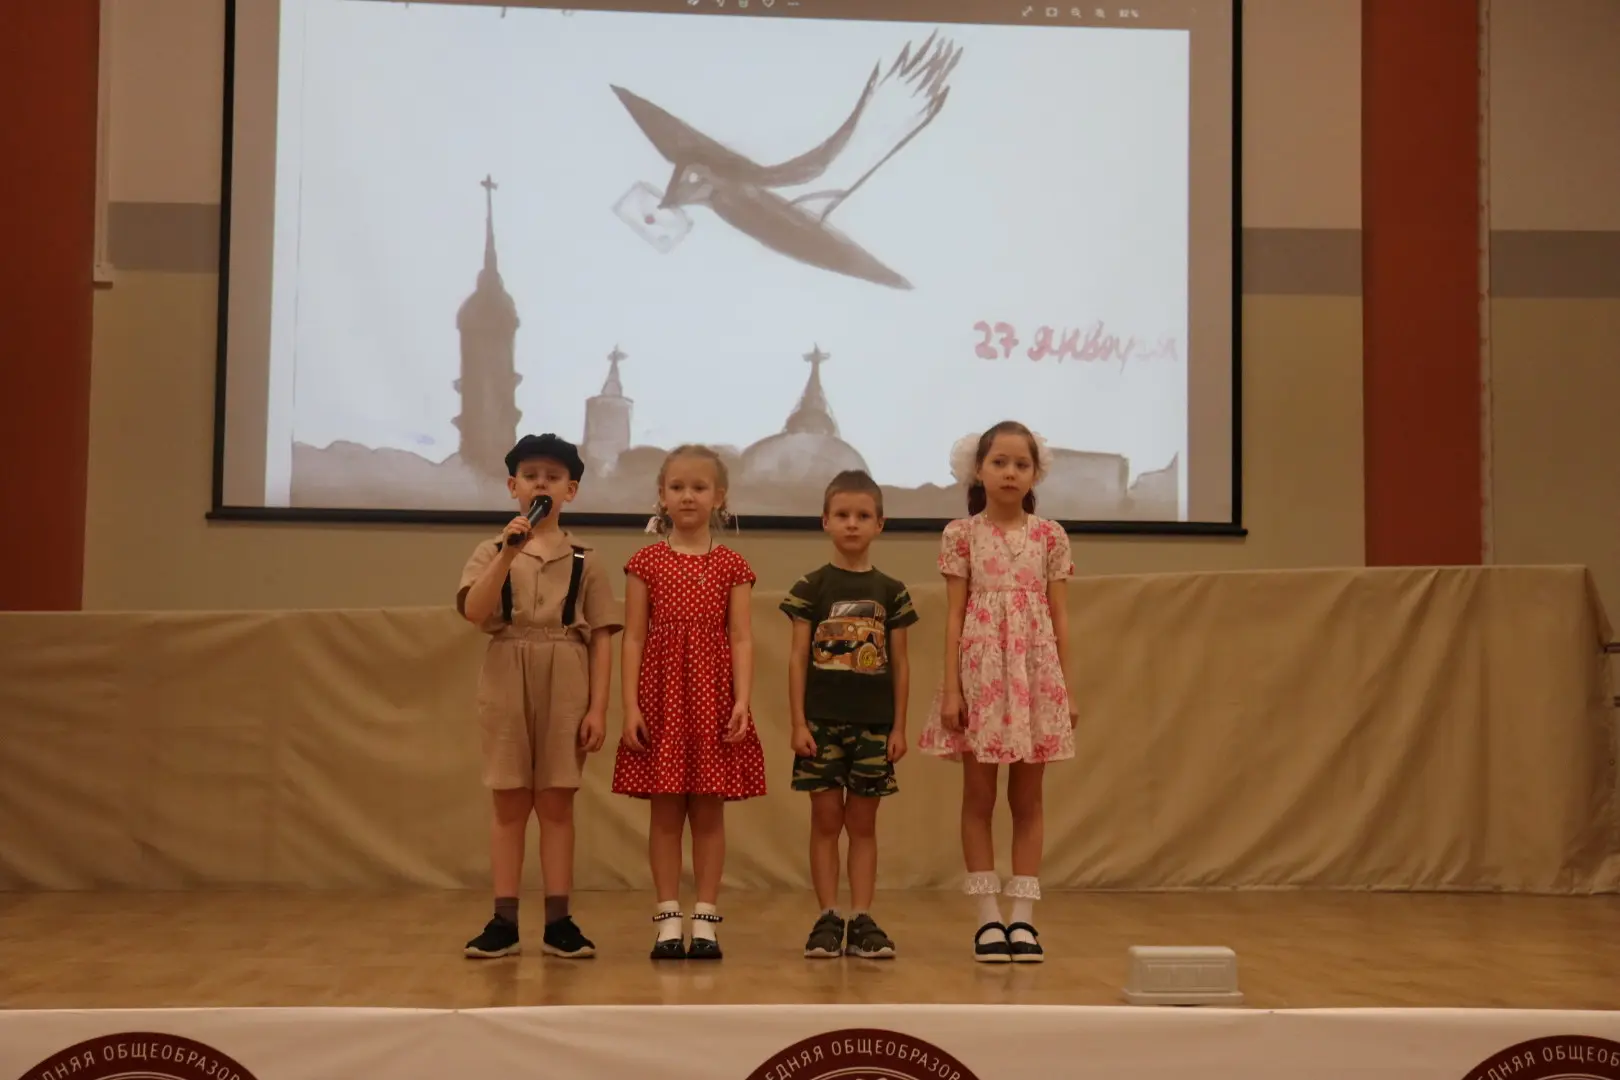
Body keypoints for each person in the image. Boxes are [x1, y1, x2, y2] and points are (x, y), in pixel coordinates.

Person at [456, 433, 623, 960]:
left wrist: (598, 707)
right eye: (530, 476)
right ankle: (503, 920)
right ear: (513, 486)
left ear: (570, 490)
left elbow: (602, 635)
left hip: (566, 670)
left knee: (556, 800)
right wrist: (509, 552)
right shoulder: (492, 550)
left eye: (552, 477)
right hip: (507, 666)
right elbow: (475, 611)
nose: (540, 485)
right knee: (509, 799)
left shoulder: (586, 559)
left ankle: (559, 921)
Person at [918, 421, 1078, 964]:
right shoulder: (961, 535)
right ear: (978, 469)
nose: (1010, 473)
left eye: (1021, 464)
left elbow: (1059, 617)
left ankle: (1024, 920)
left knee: (1028, 801)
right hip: (981, 676)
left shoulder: (1049, 536)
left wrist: (1065, 690)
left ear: (1035, 473)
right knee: (979, 798)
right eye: (999, 462)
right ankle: (987, 918)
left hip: (1035, 676)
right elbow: (954, 616)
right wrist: (952, 690)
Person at [611, 444, 766, 960]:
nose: (687, 496)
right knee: (664, 812)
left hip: (712, 699)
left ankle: (704, 919)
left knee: (708, 812)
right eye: (676, 487)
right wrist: (630, 706)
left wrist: (742, 699)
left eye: (699, 487)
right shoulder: (646, 562)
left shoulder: (732, 565)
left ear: (719, 497)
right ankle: (666, 918)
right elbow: (634, 637)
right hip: (662, 700)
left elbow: (741, 637)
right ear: (661, 495)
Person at [782, 470, 918, 960]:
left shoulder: (892, 591)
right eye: (842, 515)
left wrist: (899, 726)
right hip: (820, 725)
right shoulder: (809, 587)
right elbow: (798, 657)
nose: (852, 524)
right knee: (824, 821)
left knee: (863, 825)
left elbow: (900, 662)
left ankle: (861, 918)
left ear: (880, 523)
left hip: (874, 727)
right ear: (825, 521)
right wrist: (798, 722)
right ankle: (827, 916)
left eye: (863, 516)